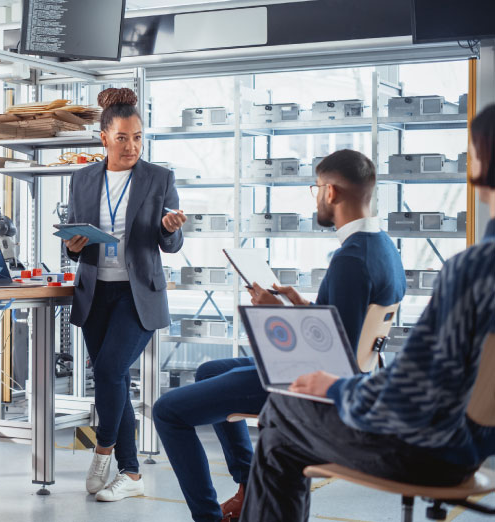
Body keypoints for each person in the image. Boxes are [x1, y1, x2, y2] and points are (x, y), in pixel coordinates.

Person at [239, 104, 495, 522]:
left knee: (282, 412)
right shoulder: (387, 249)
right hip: (474, 447)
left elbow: (409, 397)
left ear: (483, 163)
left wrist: (335, 389)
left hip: (427, 451)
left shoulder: (473, 271)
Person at [153, 149, 406, 522]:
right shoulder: (383, 247)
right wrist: (299, 306)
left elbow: (337, 360)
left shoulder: (350, 260)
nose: (316, 196)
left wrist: (273, 313)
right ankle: (248, 486)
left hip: (304, 382)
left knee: (167, 412)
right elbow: (342, 327)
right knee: (208, 370)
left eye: (316, 188)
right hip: (331, 372)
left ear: (332, 193)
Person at [64, 87, 186, 502]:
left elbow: (169, 244)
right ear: (104, 138)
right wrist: (73, 246)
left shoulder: (159, 178)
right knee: (111, 380)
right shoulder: (81, 179)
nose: (131, 145)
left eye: (137, 137)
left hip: (138, 296)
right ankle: (131, 476)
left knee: (110, 371)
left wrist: (170, 230)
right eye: (122, 138)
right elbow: (73, 237)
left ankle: (102, 450)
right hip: (95, 291)